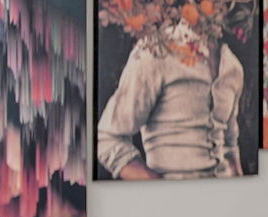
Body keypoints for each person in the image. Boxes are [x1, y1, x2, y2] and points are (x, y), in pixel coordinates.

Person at [96, 23, 245, 179]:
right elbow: (107, 139)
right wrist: (161, 190)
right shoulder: (155, 50)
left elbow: (230, 144)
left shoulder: (232, 66)